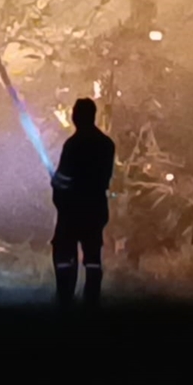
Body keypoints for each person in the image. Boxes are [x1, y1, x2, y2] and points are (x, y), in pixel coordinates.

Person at [50, 98, 115, 308]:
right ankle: (92, 299)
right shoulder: (107, 145)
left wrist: (56, 182)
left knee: (63, 252)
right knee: (93, 254)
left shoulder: (73, 144)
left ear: (77, 116)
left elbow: (64, 178)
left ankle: (65, 296)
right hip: (96, 208)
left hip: (72, 209)